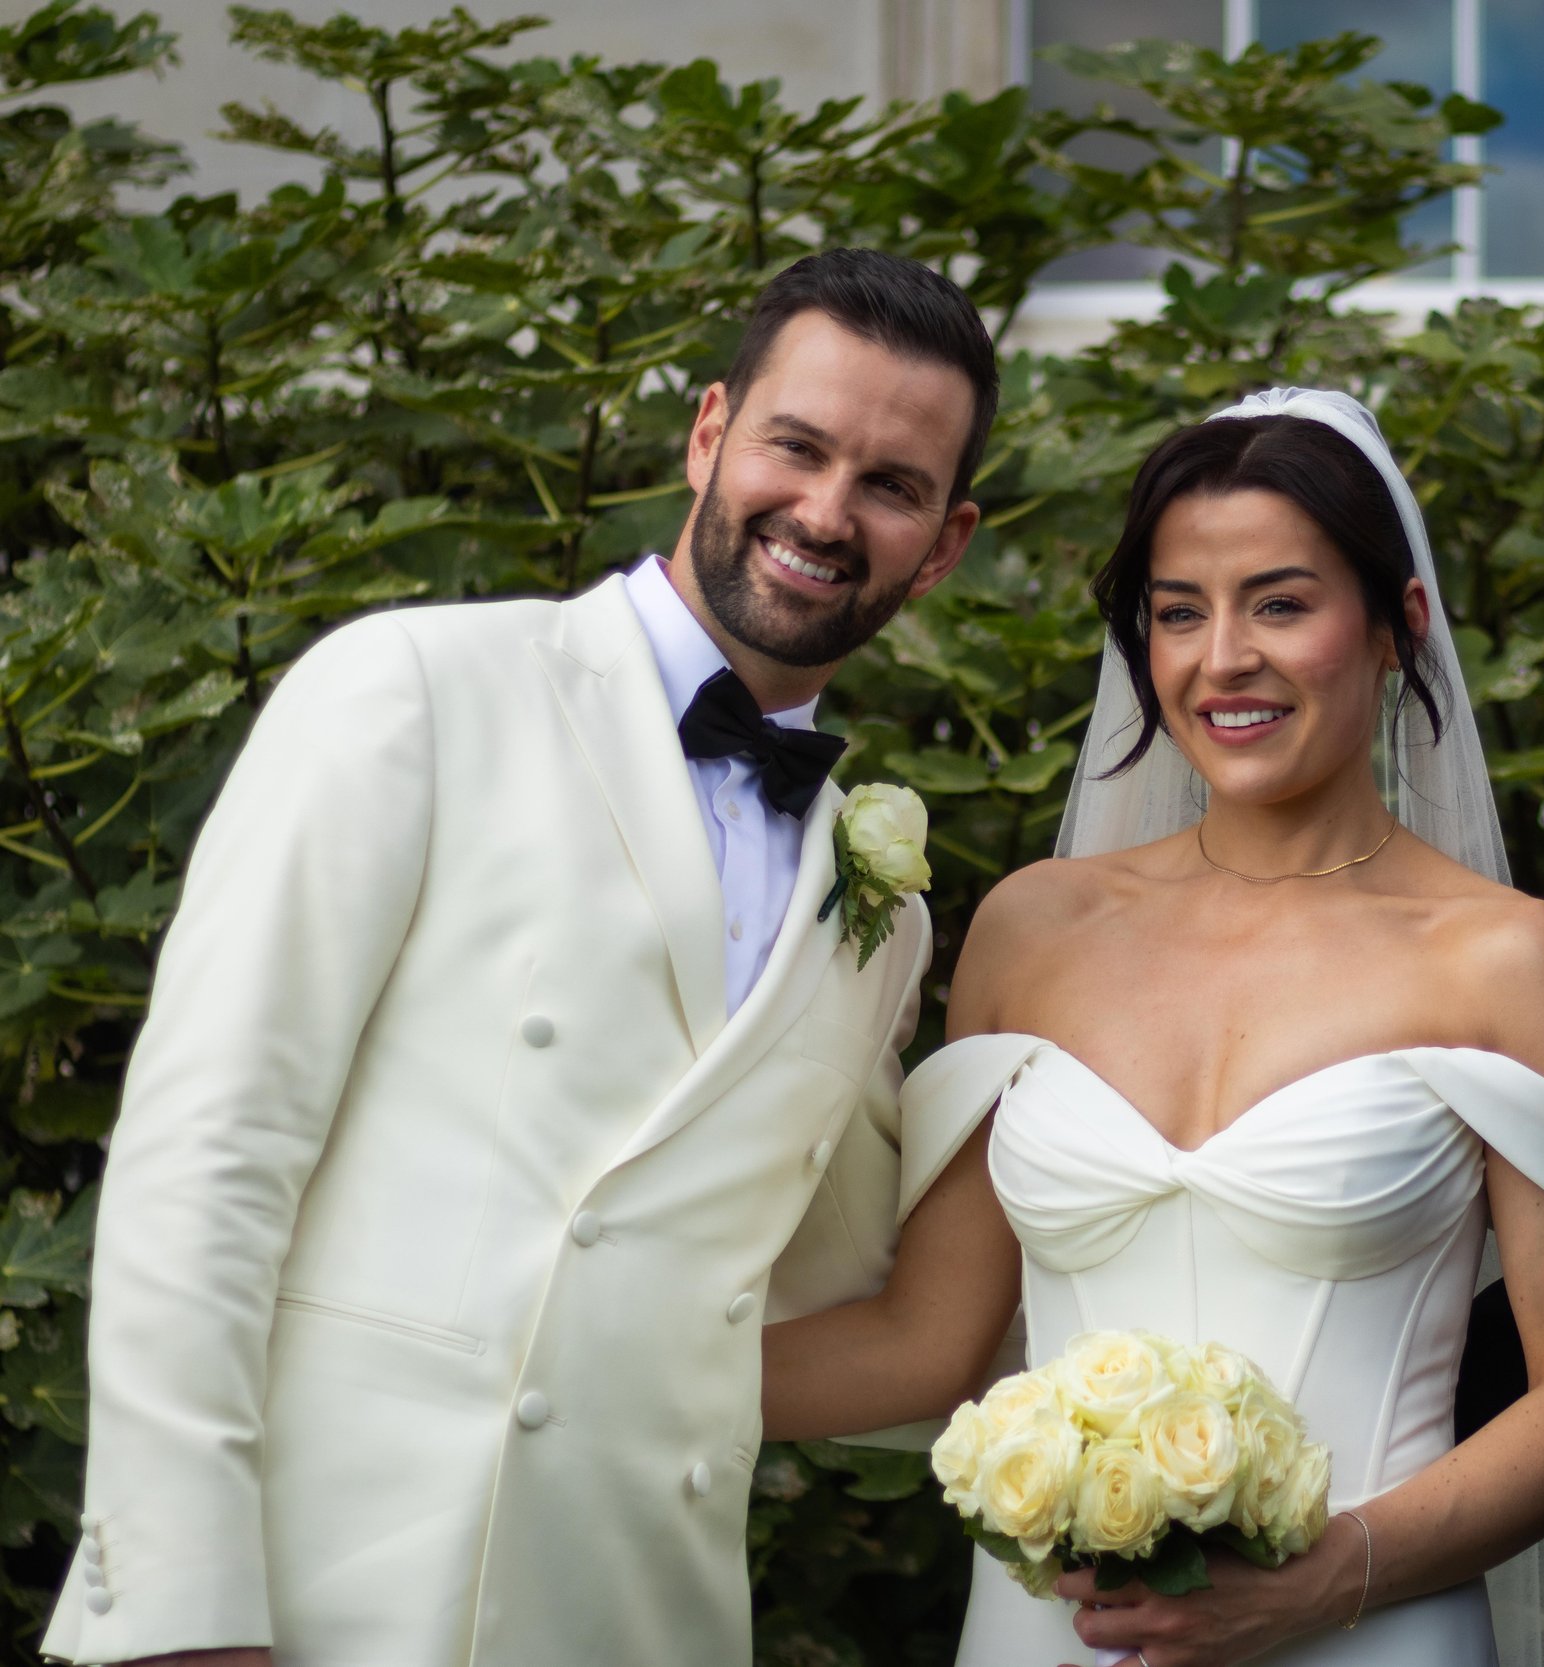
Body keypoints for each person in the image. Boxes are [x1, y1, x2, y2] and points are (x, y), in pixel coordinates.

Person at [44, 249, 992, 1667]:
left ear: (947, 540)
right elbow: (208, 1155)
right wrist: (180, 1608)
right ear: (709, 432)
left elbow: (823, 1293)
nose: (825, 510)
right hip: (322, 1602)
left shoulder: (882, 914)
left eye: (891, 484)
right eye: (797, 446)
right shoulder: (416, 691)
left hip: (643, 1614)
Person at [761, 388, 1544, 1667]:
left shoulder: (1507, 960)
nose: (1222, 659)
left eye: (1280, 602)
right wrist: (591, 1367)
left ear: (1399, 626)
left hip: (1370, 1630)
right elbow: (924, 1342)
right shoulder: (1035, 930)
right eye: (1177, 611)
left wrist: (1336, 1575)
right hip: (1051, 1636)